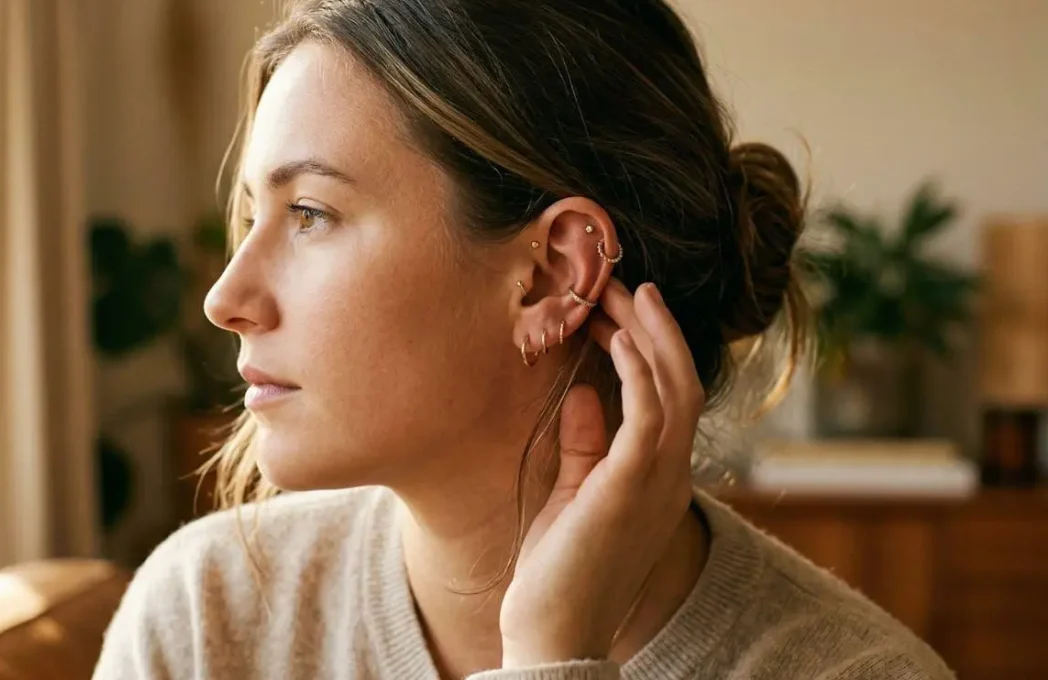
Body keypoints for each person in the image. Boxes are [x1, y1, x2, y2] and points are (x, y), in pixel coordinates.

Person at [94, 1, 956, 678]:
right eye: (252, 218)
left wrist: (551, 655)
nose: (224, 298)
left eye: (311, 214)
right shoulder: (206, 621)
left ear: (551, 275)